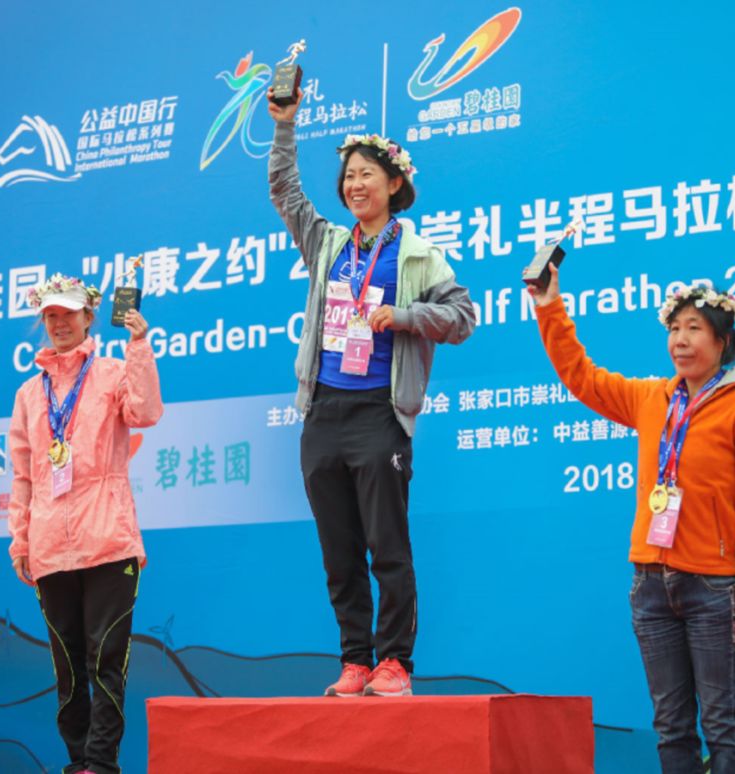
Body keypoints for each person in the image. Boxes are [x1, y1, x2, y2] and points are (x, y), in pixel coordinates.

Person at [529, 265, 735, 773]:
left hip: (712, 588)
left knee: (722, 723)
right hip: (649, 585)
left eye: (694, 329)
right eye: (675, 329)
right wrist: (548, 305)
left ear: (722, 341)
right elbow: (581, 376)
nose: (680, 340)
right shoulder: (651, 399)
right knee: (671, 725)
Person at [267, 88, 475, 697]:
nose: (355, 185)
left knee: (387, 546)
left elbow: (462, 318)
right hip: (323, 412)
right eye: (349, 176)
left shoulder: (418, 256)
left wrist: (405, 316)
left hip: (380, 414)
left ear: (394, 184)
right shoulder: (329, 244)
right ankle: (355, 660)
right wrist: (284, 127)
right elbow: (285, 192)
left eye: (367, 175)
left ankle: (395, 663)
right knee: (339, 551)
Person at [8, 274, 162, 774]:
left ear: (89, 318)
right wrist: (21, 541)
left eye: (68, 315)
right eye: (51, 316)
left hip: (109, 542)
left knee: (106, 661)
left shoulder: (112, 372)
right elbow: (24, 475)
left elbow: (146, 412)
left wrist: (139, 346)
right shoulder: (29, 395)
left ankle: (101, 764)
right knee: (69, 669)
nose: (59, 324)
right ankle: (78, 763)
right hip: (50, 548)